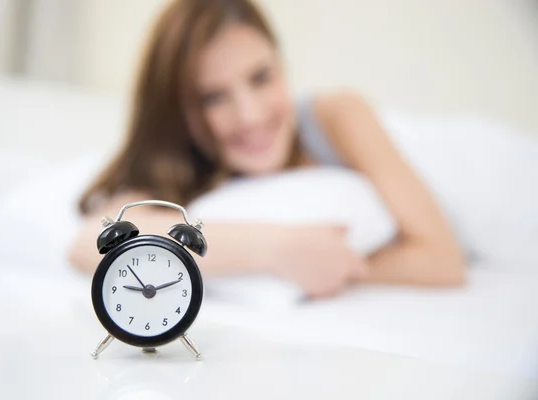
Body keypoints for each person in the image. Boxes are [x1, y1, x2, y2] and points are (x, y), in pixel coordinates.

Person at [69, 0, 465, 298]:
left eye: (261, 78)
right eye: (212, 98)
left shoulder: (337, 116)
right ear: (179, 113)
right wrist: (275, 250)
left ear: (282, 65)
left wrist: (334, 261)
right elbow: (91, 242)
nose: (251, 115)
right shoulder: (184, 160)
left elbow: (443, 259)